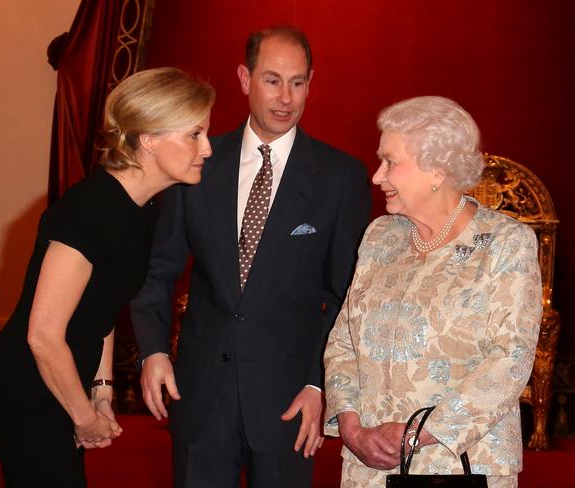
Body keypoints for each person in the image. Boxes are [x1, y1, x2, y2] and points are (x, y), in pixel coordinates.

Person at [130, 26, 371, 487]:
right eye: (272, 80)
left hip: (289, 405)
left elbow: (346, 297)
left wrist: (319, 384)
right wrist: (154, 351)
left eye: (298, 82)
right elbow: (157, 272)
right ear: (244, 78)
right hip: (200, 397)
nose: (286, 97)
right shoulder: (196, 165)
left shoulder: (340, 179)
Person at [0, 67, 215, 487]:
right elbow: (43, 336)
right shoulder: (90, 211)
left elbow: (104, 310)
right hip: (26, 386)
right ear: (149, 140)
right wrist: (83, 416)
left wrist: (101, 390)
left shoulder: (143, 209)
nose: (207, 148)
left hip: (64, 382)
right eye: (194, 134)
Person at [323, 96, 542, 488]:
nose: (377, 176)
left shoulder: (506, 243)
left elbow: (509, 361)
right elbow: (343, 341)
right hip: (368, 465)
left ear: (437, 169)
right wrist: (353, 429)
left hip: (459, 464)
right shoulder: (380, 237)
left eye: (391, 161)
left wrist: (416, 433)